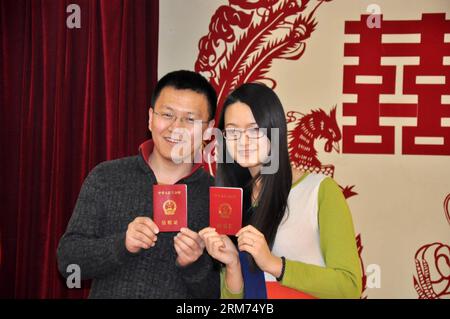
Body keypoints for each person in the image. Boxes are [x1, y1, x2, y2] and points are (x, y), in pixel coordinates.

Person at [57, 70, 220, 298]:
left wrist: (194, 265)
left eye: (190, 119)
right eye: (167, 114)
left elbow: (221, 293)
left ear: (209, 129)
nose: (176, 127)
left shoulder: (217, 196)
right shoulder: (106, 177)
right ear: (151, 118)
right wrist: (122, 244)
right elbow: (68, 262)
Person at [199, 83, 362, 299]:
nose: (243, 141)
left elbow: (349, 286)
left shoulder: (319, 191)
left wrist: (275, 265)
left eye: (254, 129)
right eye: (232, 131)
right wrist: (232, 265)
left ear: (275, 130)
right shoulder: (230, 200)